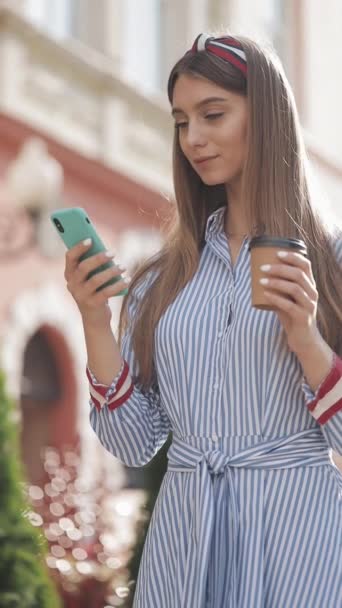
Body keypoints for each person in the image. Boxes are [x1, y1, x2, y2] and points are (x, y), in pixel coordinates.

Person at [64, 33, 342, 608]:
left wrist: (306, 339)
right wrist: (95, 319)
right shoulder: (161, 280)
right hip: (183, 545)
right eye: (181, 121)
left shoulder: (332, 263)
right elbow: (135, 444)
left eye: (213, 114)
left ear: (265, 117)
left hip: (298, 540)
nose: (194, 138)